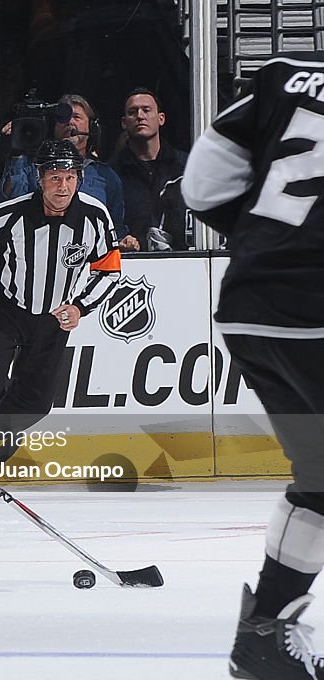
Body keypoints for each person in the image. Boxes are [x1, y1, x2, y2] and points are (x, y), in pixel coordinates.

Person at [181, 53, 324, 679]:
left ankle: (266, 632)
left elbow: (201, 186)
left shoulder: (284, 76)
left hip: (252, 306)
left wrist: (269, 245)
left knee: (320, 478)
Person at [0, 139, 120, 495]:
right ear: (39, 177)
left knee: (35, 403)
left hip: (53, 317)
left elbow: (108, 269)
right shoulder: (12, 212)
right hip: (4, 309)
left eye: (69, 178)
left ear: (78, 178)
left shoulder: (95, 216)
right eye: (54, 177)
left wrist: (80, 307)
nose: (62, 186)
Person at [0, 93, 125, 239]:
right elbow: (10, 206)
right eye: (63, 118)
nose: (69, 122)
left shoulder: (106, 176)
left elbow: (116, 228)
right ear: (54, 127)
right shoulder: (33, 168)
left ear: (91, 127)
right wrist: (16, 155)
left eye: (76, 117)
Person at [112, 88, 189, 252]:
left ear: (161, 119)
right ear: (124, 122)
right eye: (132, 112)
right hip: (131, 266)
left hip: (185, 263)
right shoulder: (111, 174)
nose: (140, 116)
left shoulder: (186, 167)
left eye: (146, 110)